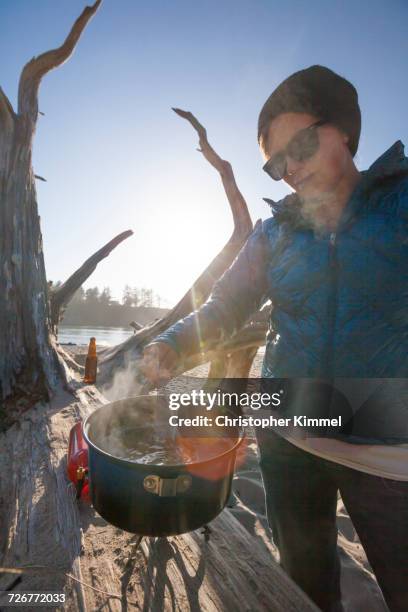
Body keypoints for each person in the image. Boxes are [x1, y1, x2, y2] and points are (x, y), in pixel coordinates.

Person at [140, 66, 408, 611]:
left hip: (388, 453)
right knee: (304, 587)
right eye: (275, 162)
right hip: (288, 441)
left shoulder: (399, 206)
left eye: (302, 146)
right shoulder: (275, 232)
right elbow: (226, 305)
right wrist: (171, 342)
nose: (290, 169)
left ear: (346, 131)